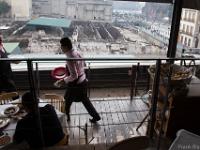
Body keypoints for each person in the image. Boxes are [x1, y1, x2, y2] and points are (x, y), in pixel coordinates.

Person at [55, 37, 101, 123]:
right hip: (82, 81)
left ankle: (67, 117)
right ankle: (96, 116)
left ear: (65, 47)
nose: (61, 48)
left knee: (67, 100)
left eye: (61, 46)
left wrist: (62, 81)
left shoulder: (69, 58)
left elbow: (74, 76)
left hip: (75, 84)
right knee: (84, 100)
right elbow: (84, 63)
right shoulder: (77, 52)